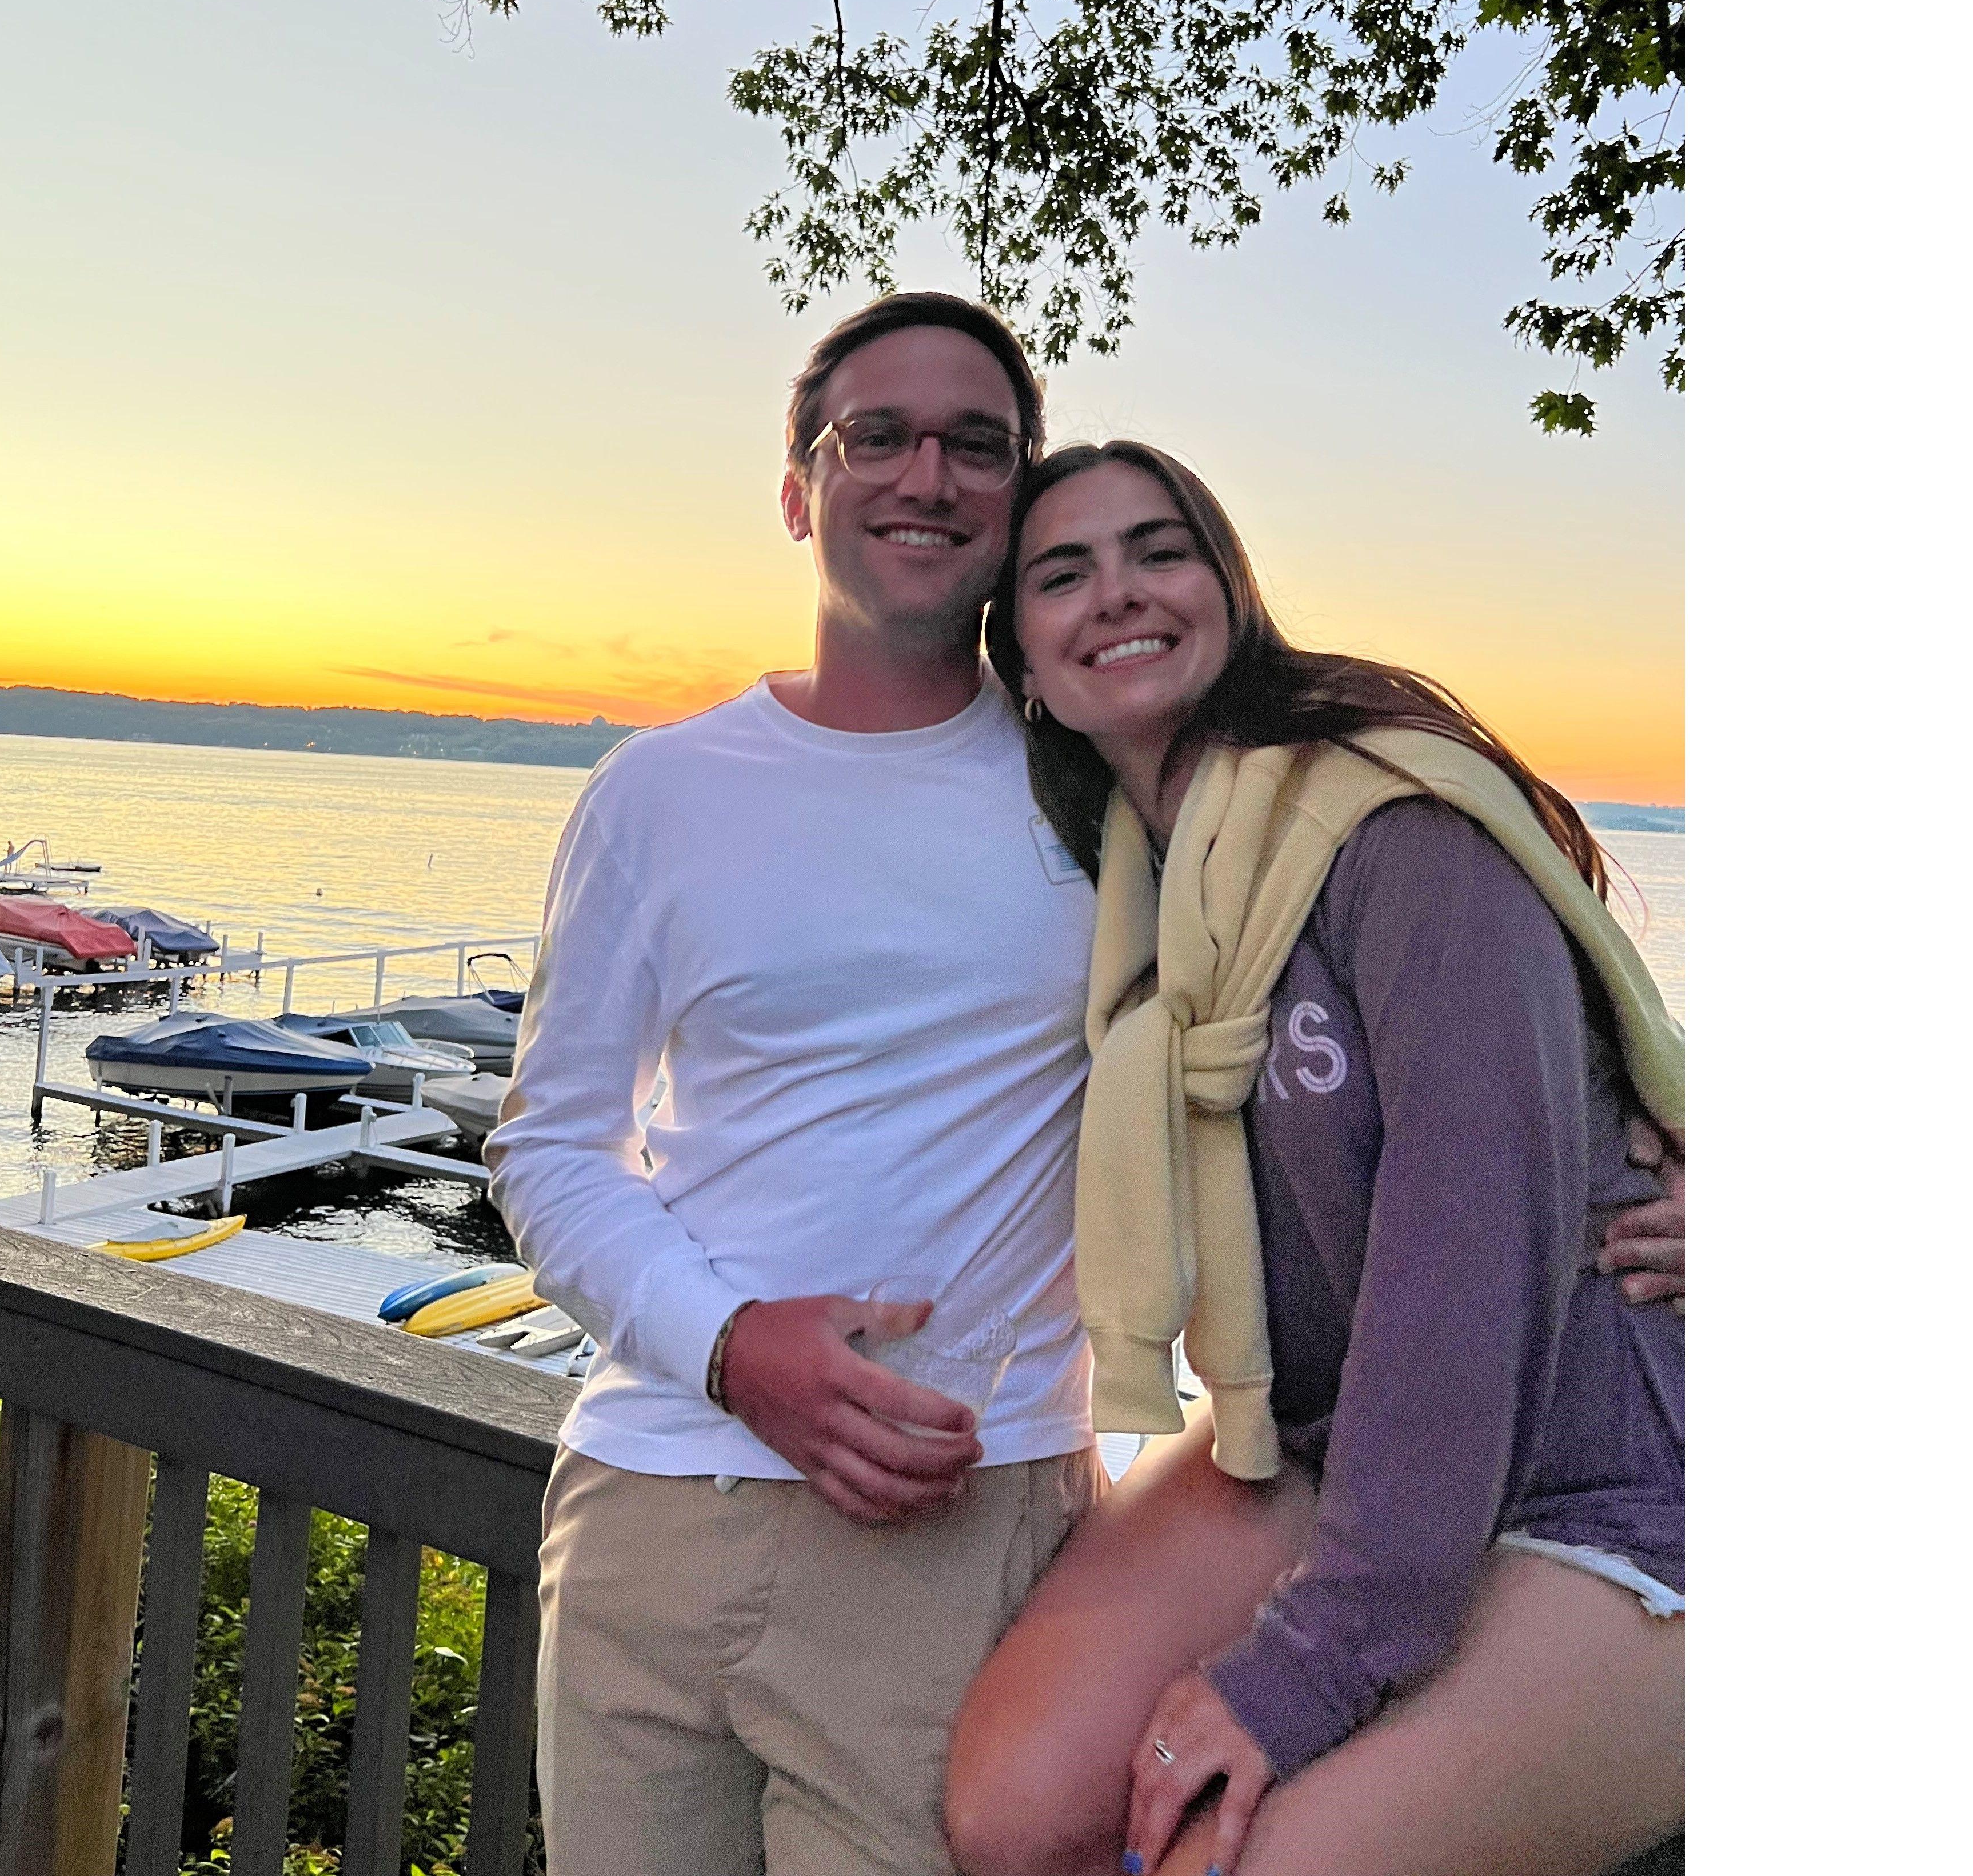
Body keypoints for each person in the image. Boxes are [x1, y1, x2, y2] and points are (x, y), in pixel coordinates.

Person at [486, 297, 1684, 1876]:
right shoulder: (1076, 841)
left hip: (1061, 1502)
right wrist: (730, 1347)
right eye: (879, 438)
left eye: (978, 446)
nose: (929, 475)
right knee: (1013, 1806)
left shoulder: (1288, 825)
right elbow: (551, 1145)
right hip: (709, 1486)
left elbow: (1511, 1133)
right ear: (800, 489)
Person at [946, 441, 1686, 1876]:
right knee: (1012, 1808)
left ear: (1231, 588)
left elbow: (1468, 1260)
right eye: (1063, 573)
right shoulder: (1132, 892)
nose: (1119, 593)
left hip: (1614, 1463)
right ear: (1023, 663)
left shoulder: (1394, 827)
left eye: (1160, 551)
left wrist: (1313, 1663)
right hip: (1324, 1430)